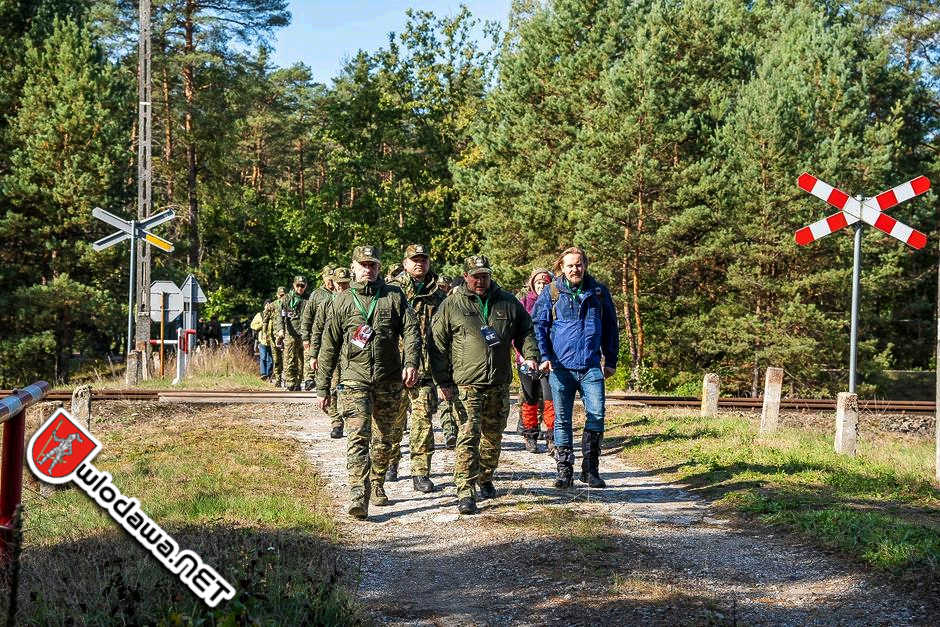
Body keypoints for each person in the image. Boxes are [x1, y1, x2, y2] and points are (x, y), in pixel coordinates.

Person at [429, 254, 539, 515]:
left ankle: (485, 476)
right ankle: (465, 491)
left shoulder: (507, 302)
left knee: (493, 435)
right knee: (468, 435)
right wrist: (443, 381)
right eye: (475, 276)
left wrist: (531, 355)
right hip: (467, 383)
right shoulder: (451, 304)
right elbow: (437, 345)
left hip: (499, 382)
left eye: (485, 275)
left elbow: (526, 331)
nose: (480, 280)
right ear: (466, 276)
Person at [316, 246, 419, 520]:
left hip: (388, 378)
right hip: (353, 380)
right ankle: (357, 495)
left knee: (386, 438)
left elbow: (411, 332)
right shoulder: (341, 302)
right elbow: (329, 346)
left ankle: (376, 483)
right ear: (353, 267)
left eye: (372, 265)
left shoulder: (394, 297)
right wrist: (323, 388)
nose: (368, 270)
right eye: (363, 265)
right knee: (358, 437)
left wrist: (411, 362)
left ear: (379, 268)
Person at [532, 246, 619, 489]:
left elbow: (611, 329)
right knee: (562, 420)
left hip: (591, 366)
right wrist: (544, 355)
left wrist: (610, 360)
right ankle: (564, 471)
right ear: (561, 267)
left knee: (597, 415)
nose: (575, 269)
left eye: (579, 264)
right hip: (560, 368)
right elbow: (539, 327)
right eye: (570, 265)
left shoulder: (599, 293)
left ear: (585, 265)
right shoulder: (551, 293)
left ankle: (590, 470)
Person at [384, 244, 448, 492]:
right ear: (405, 262)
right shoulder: (392, 291)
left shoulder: (439, 293)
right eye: (414, 259)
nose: (419, 263)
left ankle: (420, 472)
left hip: (426, 369)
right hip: (395, 367)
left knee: (423, 422)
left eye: (423, 259)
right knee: (393, 421)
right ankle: (390, 461)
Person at [517, 268, 556, 454]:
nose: (541, 286)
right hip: (526, 360)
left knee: (550, 398)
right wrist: (523, 356)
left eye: (545, 283)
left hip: (548, 360)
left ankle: (552, 437)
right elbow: (515, 332)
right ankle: (530, 435)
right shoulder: (524, 302)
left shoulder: (555, 302)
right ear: (532, 284)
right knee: (530, 398)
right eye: (538, 283)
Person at [311, 266, 352, 438]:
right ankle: (336, 422)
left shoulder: (355, 301)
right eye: (339, 284)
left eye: (345, 284)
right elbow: (317, 329)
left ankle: (352, 420)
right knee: (333, 387)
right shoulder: (326, 303)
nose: (342, 287)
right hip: (331, 351)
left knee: (350, 387)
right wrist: (313, 354)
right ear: (333, 283)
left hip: (351, 353)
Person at [301, 265, 336, 390]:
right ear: (323, 278)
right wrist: (305, 337)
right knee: (313, 357)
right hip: (318, 332)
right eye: (328, 279)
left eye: (333, 279)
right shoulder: (316, 294)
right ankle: (310, 378)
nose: (331, 282)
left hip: (334, 334)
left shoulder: (341, 292)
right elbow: (307, 317)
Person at [274, 276, 308, 391]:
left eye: (302, 286)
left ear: (305, 286)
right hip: (290, 332)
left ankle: (298, 381)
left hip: (303, 333)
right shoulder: (286, 299)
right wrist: (280, 329)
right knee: (289, 358)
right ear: (294, 285)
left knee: (302, 360)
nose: (300, 288)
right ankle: (290, 381)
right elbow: (279, 316)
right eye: (298, 285)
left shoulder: (307, 300)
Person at [251, 300, 274, 379]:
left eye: (269, 304)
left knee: (271, 359)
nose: (268, 306)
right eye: (266, 304)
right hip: (262, 340)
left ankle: (269, 374)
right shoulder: (259, 315)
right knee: (263, 357)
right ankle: (263, 374)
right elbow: (253, 325)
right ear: (264, 306)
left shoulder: (274, 315)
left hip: (271, 340)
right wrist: (262, 324)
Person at [269, 286, 287, 386]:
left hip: (286, 336)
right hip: (274, 336)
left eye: (284, 295)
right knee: (276, 359)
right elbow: (265, 321)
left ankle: (285, 379)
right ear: (277, 295)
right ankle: (278, 378)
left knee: (286, 358)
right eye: (280, 295)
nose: (282, 297)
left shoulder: (290, 305)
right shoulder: (272, 305)